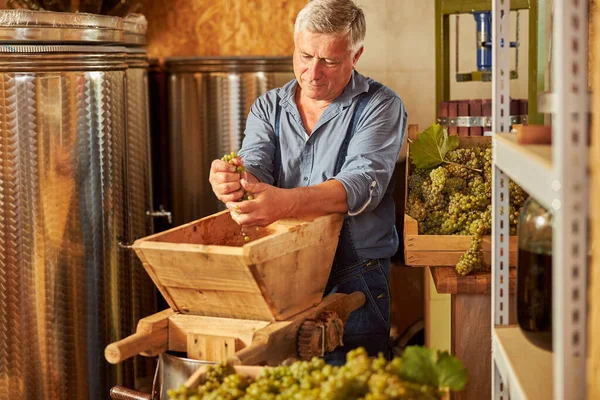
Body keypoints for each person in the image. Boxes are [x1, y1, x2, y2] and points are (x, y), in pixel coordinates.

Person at [209, 0, 407, 364]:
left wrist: (282, 203)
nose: (313, 72)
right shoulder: (269, 106)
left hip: (354, 273)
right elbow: (255, 164)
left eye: (329, 61)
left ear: (355, 55)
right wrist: (235, 180)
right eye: (304, 56)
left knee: (353, 380)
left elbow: (363, 183)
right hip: (283, 265)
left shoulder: (380, 105)